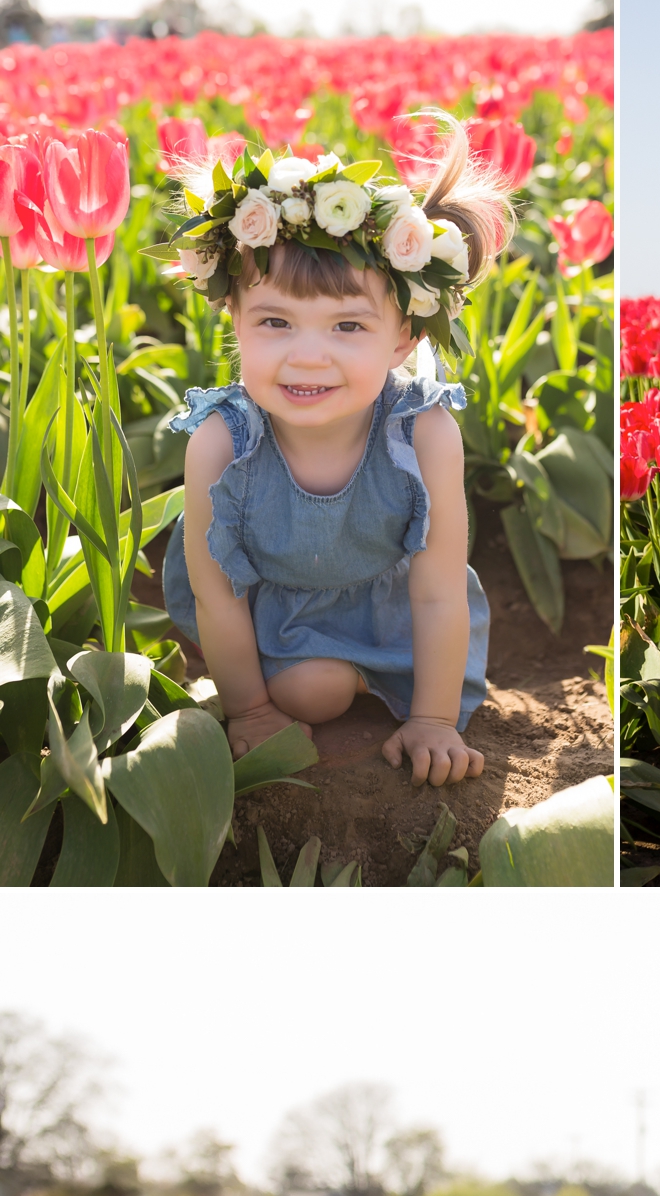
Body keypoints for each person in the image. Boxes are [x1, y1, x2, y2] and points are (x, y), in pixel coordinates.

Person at [157, 114, 514, 786]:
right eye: (275, 322)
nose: (308, 355)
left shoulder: (424, 433)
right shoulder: (220, 443)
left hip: (399, 614)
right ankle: (334, 678)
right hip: (275, 617)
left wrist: (435, 719)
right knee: (307, 692)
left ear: (405, 336)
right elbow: (218, 598)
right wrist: (251, 710)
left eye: (348, 325)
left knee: (337, 687)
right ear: (233, 317)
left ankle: (382, 677)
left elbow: (437, 592)